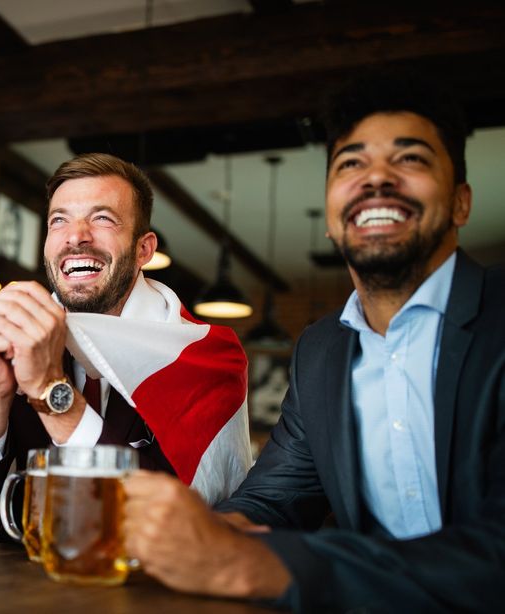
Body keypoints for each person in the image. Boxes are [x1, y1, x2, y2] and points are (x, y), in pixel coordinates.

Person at [123, 73, 505, 612]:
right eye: (351, 163)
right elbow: (276, 497)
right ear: (330, 214)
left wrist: (251, 563)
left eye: (410, 159)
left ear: (461, 202)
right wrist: (205, 532)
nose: (376, 179)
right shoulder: (322, 350)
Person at [0, 153, 252, 542]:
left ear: (144, 249)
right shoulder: (18, 338)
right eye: (58, 220)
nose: (76, 236)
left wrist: (51, 391)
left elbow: (175, 521)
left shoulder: (205, 355)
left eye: (102, 219)